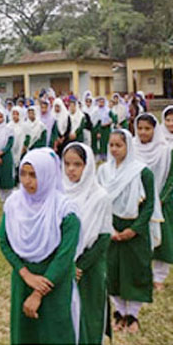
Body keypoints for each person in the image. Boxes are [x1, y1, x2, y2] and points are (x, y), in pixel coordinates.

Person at [0, 148, 81, 345]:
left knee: (55, 332)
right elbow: (4, 242)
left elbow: (64, 256)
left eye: (34, 175)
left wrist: (38, 292)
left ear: (48, 175)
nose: (27, 181)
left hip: (54, 283)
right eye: (23, 174)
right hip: (23, 280)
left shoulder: (65, 210)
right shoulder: (14, 204)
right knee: (25, 332)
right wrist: (26, 275)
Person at [97, 129, 156, 334]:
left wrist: (134, 230)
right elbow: (99, 200)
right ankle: (119, 313)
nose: (114, 149)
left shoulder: (142, 172)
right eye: (111, 145)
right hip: (111, 227)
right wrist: (109, 228)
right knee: (112, 270)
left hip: (135, 230)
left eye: (118, 145)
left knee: (135, 270)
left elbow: (149, 205)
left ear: (128, 146)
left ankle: (133, 316)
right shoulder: (104, 171)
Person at [63, 143, 112, 344]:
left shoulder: (100, 196)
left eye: (77, 164)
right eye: (66, 164)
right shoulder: (59, 192)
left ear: (88, 165)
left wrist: (80, 266)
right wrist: (66, 264)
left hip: (89, 267)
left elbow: (103, 237)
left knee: (88, 313)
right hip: (64, 265)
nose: (71, 169)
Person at [133, 114, 173, 292]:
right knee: (138, 239)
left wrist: (160, 199)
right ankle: (140, 275)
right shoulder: (131, 148)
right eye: (140, 128)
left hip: (161, 201)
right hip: (136, 202)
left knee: (161, 241)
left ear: (155, 130)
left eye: (147, 129)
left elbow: (171, 177)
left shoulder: (165, 150)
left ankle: (158, 278)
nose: (143, 132)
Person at [0, 109, 16, 206]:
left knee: (7, 176)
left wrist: (1, 153)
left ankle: (9, 197)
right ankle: (1, 197)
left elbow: (10, 143)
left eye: (1, 116)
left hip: (6, 156)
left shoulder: (8, 129)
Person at [93, 97, 112, 161]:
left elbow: (111, 119)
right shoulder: (95, 110)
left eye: (102, 102)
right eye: (100, 102)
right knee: (99, 142)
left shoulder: (108, 110)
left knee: (105, 142)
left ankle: (106, 155)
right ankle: (99, 156)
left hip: (106, 129)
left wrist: (107, 123)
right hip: (98, 128)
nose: (101, 103)